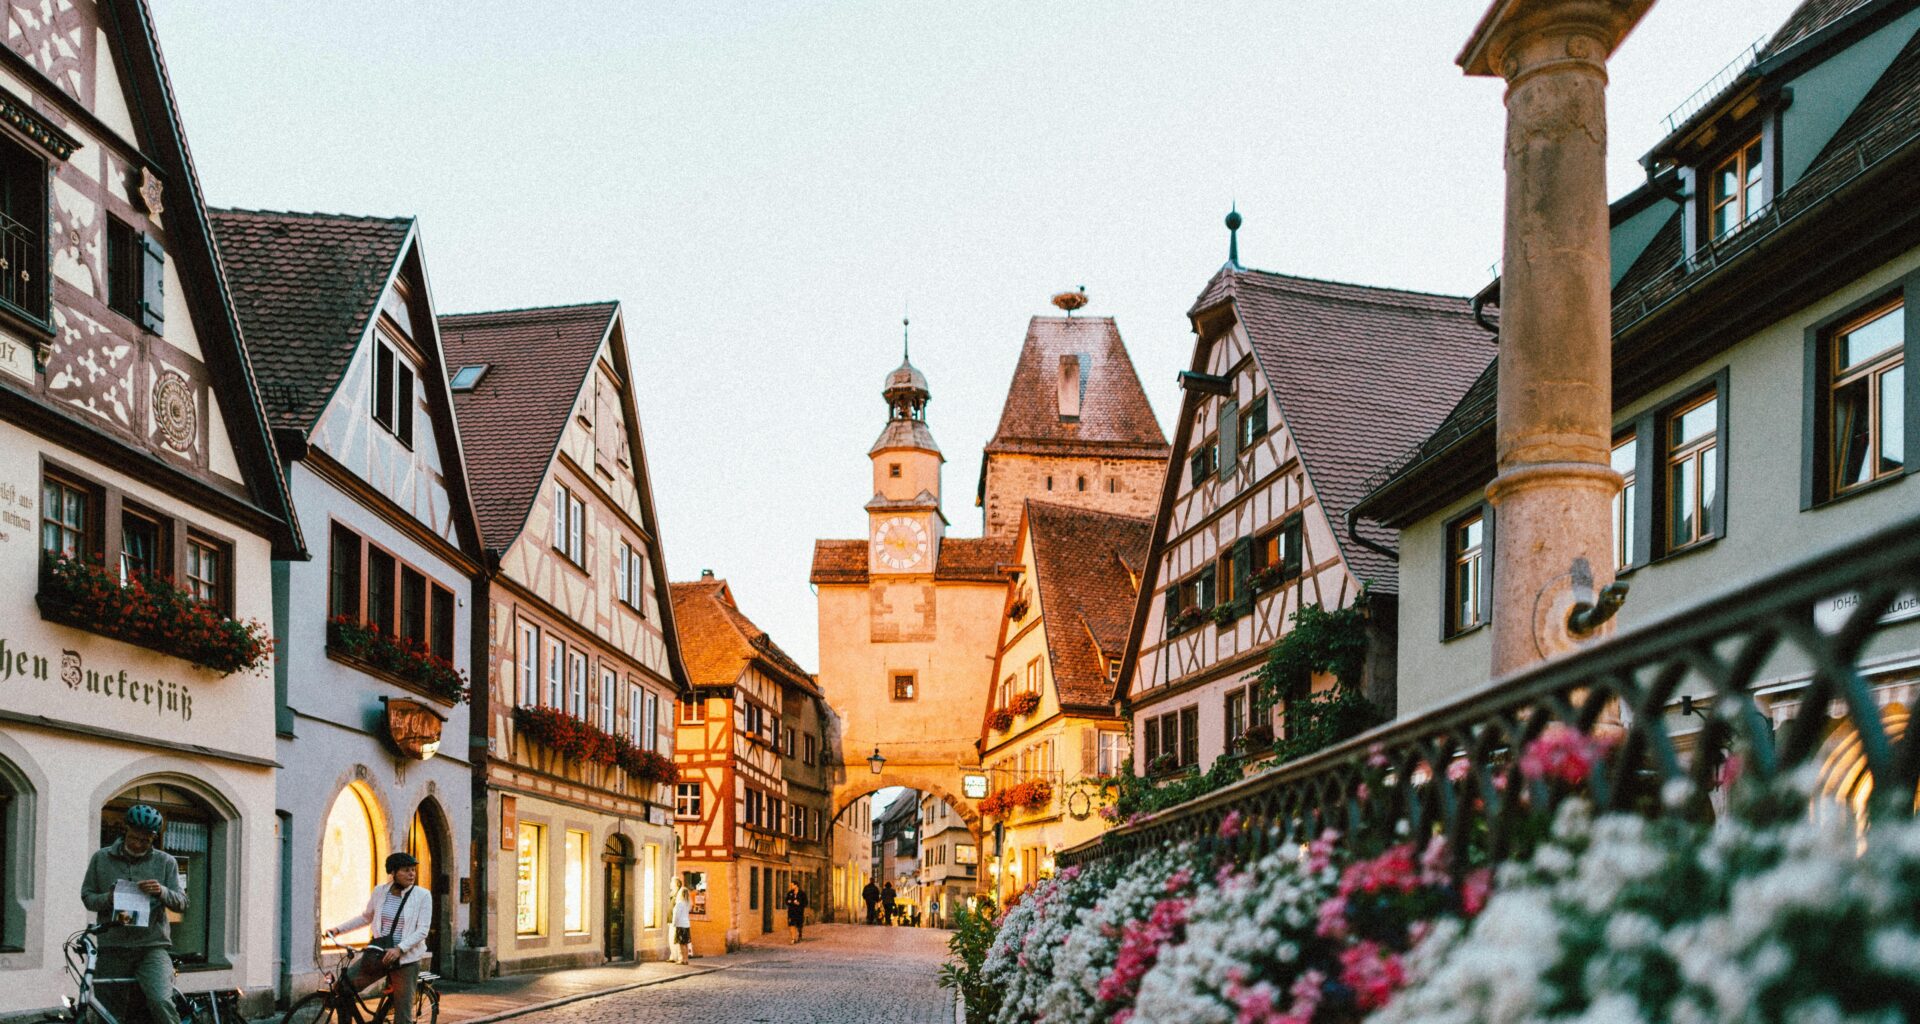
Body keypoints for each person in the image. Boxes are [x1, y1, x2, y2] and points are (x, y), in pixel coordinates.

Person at [81, 804, 187, 1024]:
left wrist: (162, 891)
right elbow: (88, 897)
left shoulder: (165, 862)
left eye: (146, 840)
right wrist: (108, 899)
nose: (139, 844)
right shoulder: (101, 859)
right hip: (113, 947)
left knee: (161, 1001)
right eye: (135, 838)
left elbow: (182, 903)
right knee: (107, 1011)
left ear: (153, 838)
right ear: (126, 830)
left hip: (151, 946)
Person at [325, 852, 432, 1024]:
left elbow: (422, 930)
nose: (412, 874)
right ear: (393, 872)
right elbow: (366, 917)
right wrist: (338, 930)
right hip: (379, 955)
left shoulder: (422, 896)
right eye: (406, 870)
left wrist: (399, 949)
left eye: (413, 870)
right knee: (344, 988)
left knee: (403, 1015)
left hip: (406, 960)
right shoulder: (380, 892)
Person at [670, 879, 693, 965]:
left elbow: (676, 915)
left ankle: (682, 959)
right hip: (686, 925)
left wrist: (674, 923)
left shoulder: (679, 903)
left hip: (680, 924)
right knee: (686, 944)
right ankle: (686, 959)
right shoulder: (687, 903)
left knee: (681, 944)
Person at [783, 880, 807, 944]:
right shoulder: (790, 893)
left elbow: (805, 903)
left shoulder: (802, 893)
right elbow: (786, 900)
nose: (791, 886)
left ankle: (800, 934)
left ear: (796, 885)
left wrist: (799, 903)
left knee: (799, 925)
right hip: (791, 911)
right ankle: (793, 938)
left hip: (799, 912)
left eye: (792, 885)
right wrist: (788, 902)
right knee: (791, 924)